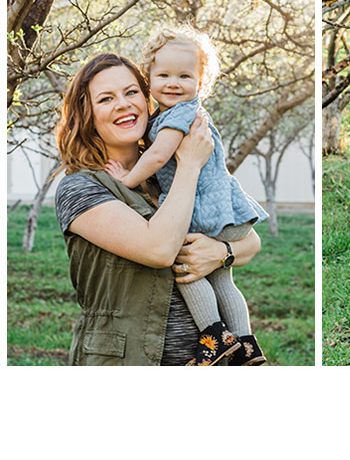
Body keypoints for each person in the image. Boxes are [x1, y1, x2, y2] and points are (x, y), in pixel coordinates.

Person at [53, 51, 262, 367]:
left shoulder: (162, 172)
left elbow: (251, 242)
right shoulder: (80, 187)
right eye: (106, 99)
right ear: (87, 113)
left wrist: (219, 253)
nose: (123, 104)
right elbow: (160, 249)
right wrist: (190, 163)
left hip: (211, 361)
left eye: (131, 92)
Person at [110, 26, 268, 365]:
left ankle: (214, 336)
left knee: (185, 267)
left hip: (201, 209)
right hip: (223, 206)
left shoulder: (181, 114)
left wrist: (127, 177)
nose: (172, 83)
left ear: (201, 81)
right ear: (148, 77)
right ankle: (245, 344)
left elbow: (157, 157)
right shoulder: (175, 114)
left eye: (184, 75)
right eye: (163, 74)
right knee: (222, 278)